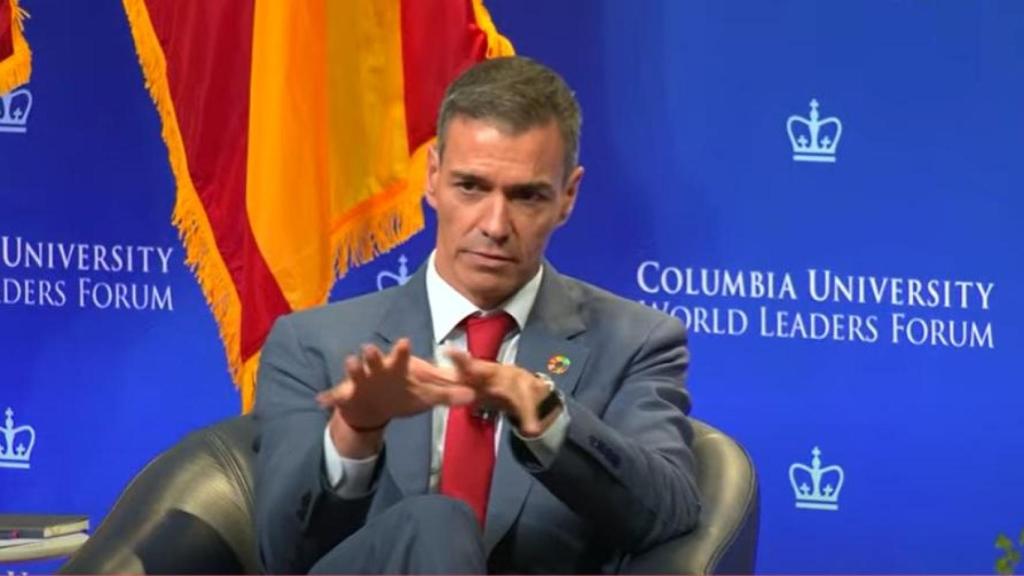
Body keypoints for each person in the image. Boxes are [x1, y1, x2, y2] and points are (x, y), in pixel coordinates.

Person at [254, 56, 700, 575]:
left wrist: (546, 415)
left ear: (568, 197)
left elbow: (669, 513)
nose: (494, 224)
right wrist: (356, 429)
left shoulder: (636, 342)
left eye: (527, 196)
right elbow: (280, 556)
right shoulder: (315, 344)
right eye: (471, 187)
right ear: (433, 178)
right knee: (437, 523)